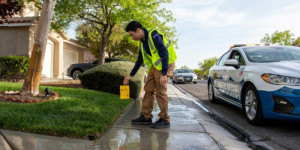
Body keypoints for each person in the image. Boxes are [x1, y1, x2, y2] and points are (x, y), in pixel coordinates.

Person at [123, 21, 177, 128]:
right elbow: (140, 60)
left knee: (160, 91)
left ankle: (165, 119)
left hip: (166, 63)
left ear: (138, 30)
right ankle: (146, 117)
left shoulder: (153, 35)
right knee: (148, 89)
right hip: (155, 65)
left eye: (132, 34)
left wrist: (164, 74)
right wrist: (130, 75)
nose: (131, 37)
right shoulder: (143, 42)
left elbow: (164, 52)